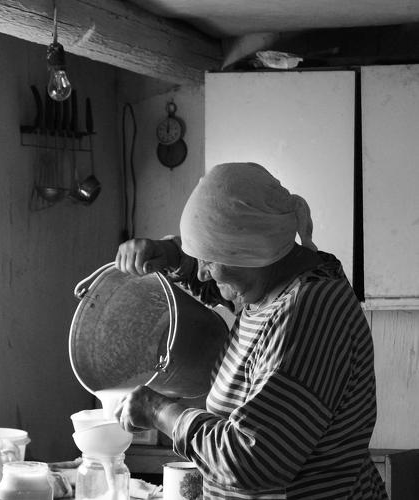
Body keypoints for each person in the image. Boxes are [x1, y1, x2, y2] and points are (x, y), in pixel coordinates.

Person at [113, 163, 388, 499]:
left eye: (209, 259)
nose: (202, 274)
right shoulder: (275, 284)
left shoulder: (308, 313)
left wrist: (160, 412)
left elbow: (251, 460)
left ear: (251, 253)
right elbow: (225, 285)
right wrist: (173, 256)